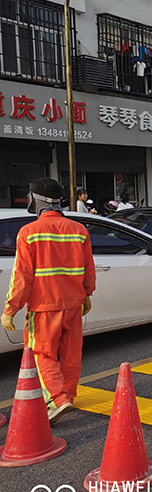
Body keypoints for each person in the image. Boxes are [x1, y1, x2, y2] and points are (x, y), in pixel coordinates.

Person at [1, 178, 96, 423]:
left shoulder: (29, 233)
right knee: (71, 355)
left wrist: (10, 310)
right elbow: (88, 268)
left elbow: (21, 276)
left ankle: (57, 399)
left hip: (44, 307)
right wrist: (87, 294)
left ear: (37, 201)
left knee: (41, 354)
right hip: (73, 305)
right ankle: (68, 397)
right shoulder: (79, 230)